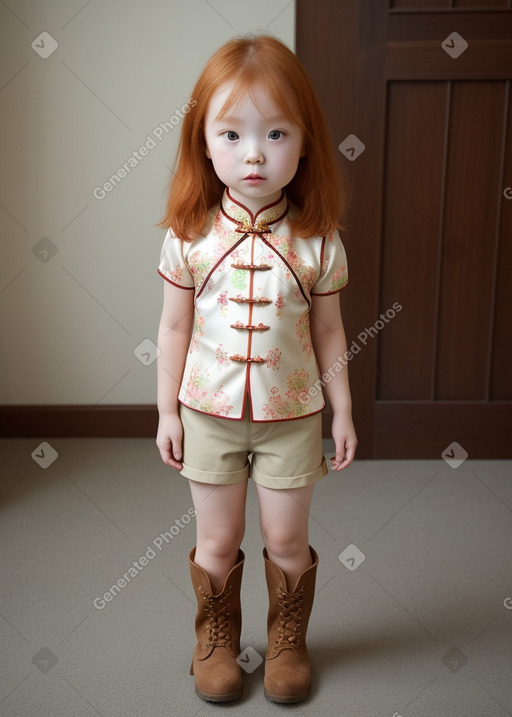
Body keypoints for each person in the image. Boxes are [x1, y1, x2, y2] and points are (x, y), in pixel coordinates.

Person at [155, 34, 357, 704]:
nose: (254, 153)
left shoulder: (318, 240)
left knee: (285, 536)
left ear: (303, 143)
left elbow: (329, 330)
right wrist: (165, 410)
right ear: (204, 143)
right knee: (216, 537)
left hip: (291, 416)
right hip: (206, 414)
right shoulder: (189, 236)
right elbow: (174, 326)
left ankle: (288, 639)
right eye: (233, 134)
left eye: (275, 133)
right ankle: (214, 634)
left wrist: (343, 410)